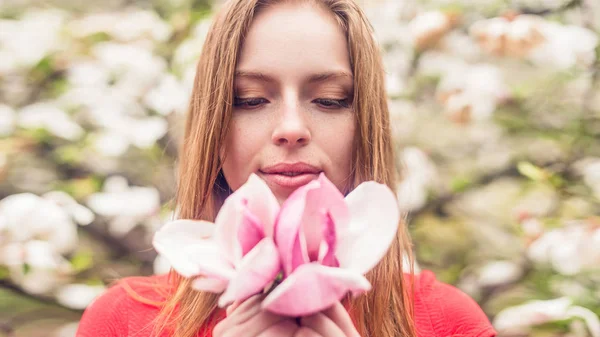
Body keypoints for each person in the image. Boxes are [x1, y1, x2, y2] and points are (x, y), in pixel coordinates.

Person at [76, 0, 498, 336]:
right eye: (250, 99)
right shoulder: (123, 322)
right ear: (214, 126)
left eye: (330, 99)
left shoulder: (447, 323)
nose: (292, 128)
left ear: (366, 124)